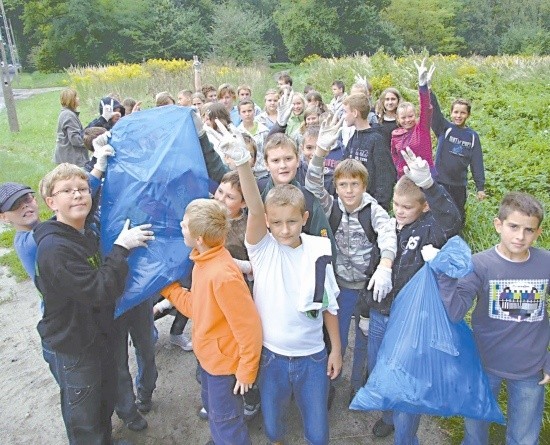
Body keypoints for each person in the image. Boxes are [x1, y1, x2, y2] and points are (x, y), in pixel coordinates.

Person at [220, 123, 342, 445]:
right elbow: (257, 210)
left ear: (305, 219)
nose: (284, 230)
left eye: (292, 222)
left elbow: (329, 304)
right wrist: (244, 165)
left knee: (318, 432)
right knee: (274, 428)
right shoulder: (262, 250)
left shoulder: (318, 250)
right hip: (271, 357)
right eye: (276, 223)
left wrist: (338, 349)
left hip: (314, 357)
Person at [34, 163, 154, 444]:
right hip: (74, 344)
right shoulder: (55, 249)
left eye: (82, 189)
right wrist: (122, 248)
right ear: (52, 202)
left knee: (102, 403)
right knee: (85, 418)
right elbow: (99, 290)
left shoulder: (83, 231)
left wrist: (101, 164)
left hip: (95, 337)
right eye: (67, 191)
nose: (77, 195)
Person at [436, 191, 549, 445]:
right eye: (513, 227)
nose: (520, 236)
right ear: (498, 225)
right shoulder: (480, 264)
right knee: (475, 433)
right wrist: (445, 277)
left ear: (538, 232)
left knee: (524, 438)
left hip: (531, 369)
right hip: (484, 365)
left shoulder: (545, 263)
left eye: (529, 230)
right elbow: (455, 311)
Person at [366, 148, 461, 443]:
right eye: (396, 204)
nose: (400, 211)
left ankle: (406, 437)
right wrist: (364, 312)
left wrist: (431, 187)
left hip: (412, 322)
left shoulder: (431, 229)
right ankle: (388, 417)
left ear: (424, 207)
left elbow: (452, 220)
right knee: (380, 370)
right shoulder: (388, 226)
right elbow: (373, 270)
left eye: (407, 206)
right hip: (381, 315)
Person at [305, 118, 397, 402]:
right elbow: (311, 184)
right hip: (341, 287)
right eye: (342, 184)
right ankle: (332, 382)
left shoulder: (374, 210)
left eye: (353, 184)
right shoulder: (330, 206)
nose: (348, 190)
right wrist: (321, 151)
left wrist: (386, 265)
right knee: (337, 338)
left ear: (363, 184)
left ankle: (360, 386)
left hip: (368, 288)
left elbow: (388, 236)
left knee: (366, 342)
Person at [160, 198, 262, 445]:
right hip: (209, 358)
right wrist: (171, 290)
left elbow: (249, 329)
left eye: (185, 225)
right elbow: (200, 308)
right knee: (214, 409)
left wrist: (247, 371)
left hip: (224, 365)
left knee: (226, 418)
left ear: (199, 239)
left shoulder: (222, 275)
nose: (180, 226)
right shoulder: (203, 261)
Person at [430, 90, 486, 224]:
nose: (458, 116)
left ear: (468, 114)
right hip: (440, 181)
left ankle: (457, 234)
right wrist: (429, 91)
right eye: (456, 112)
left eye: (462, 112)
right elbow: (434, 112)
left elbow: (477, 162)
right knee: (437, 211)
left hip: (459, 185)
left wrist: (480, 187)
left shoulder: (472, 136)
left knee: (458, 213)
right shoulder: (444, 128)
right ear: (451, 113)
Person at [340, 93, 396, 211]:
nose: (344, 116)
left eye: (346, 112)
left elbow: (385, 177)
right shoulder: (353, 139)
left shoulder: (377, 140)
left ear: (355, 113)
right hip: (353, 205)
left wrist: (379, 207)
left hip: (371, 207)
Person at [391, 59, 435, 178]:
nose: (407, 120)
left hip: (426, 175)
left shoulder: (421, 129)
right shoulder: (396, 135)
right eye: (403, 118)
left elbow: (426, 108)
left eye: (410, 116)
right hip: (406, 176)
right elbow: (395, 156)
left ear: (415, 116)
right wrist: (400, 170)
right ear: (398, 119)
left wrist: (423, 87)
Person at [54, 88, 88, 167]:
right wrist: (90, 142)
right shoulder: (69, 115)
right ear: (71, 100)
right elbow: (75, 139)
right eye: (76, 97)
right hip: (71, 159)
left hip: (65, 157)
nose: (78, 99)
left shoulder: (66, 113)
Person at [237, 98, 269, 178]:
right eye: (244, 112)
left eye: (249, 111)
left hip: (263, 171)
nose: (247, 114)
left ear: (254, 111)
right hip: (246, 172)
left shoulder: (264, 130)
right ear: (239, 114)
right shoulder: (237, 133)